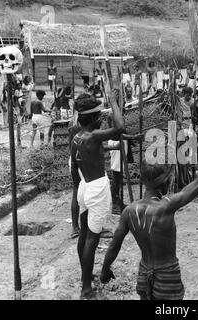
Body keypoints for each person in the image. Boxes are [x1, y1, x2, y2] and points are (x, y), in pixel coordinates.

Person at [99, 119, 198, 300]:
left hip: (144, 276)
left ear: (143, 180)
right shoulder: (166, 206)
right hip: (167, 279)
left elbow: (114, 245)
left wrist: (105, 271)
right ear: (167, 181)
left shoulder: (129, 211)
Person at [70, 91, 124, 299]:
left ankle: (86, 276)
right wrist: (113, 102)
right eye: (99, 116)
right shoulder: (92, 136)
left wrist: (78, 190)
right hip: (97, 188)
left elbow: (74, 168)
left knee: (85, 234)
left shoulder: (77, 136)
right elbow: (120, 127)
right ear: (91, 119)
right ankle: (86, 288)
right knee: (92, 239)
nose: (101, 119)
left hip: (85, 186)